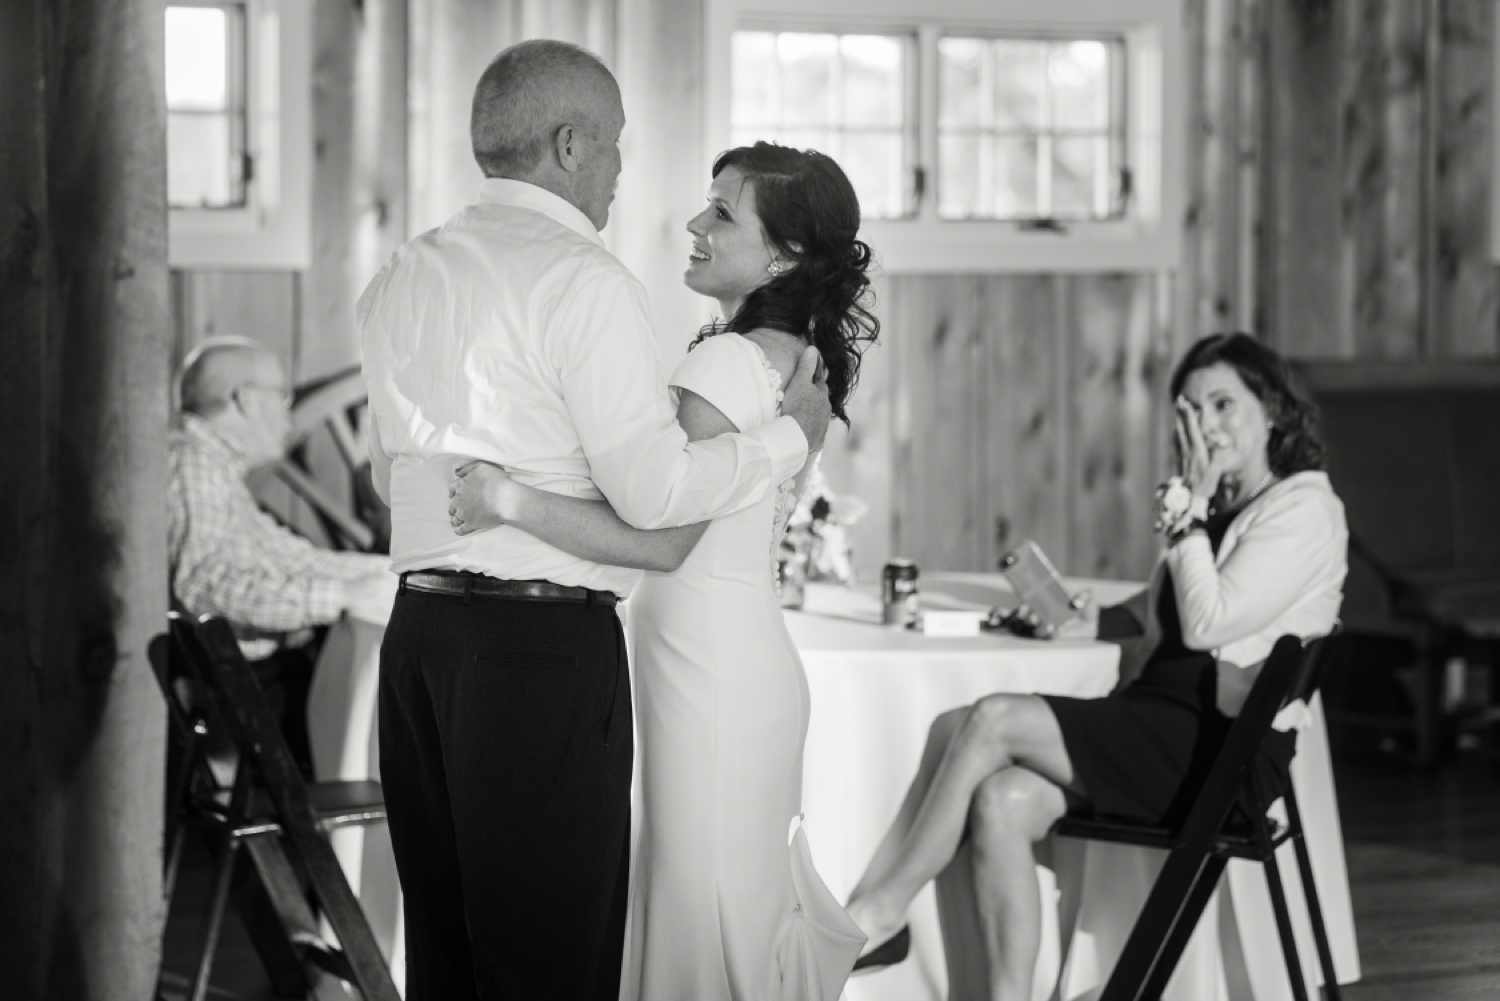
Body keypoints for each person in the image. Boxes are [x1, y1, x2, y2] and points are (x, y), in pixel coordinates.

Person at [357, 44, 833, 1001]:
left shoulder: (401, 274)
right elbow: (656, 502)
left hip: (418, 644)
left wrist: (489, 511)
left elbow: (392, 483)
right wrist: (788, 445)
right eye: (615, 146)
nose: (623, 171)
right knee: (550, 965)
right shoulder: (587, 282)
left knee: (446, 961)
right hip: (537, 655)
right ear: (571, 145)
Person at [449, 140, 877, 1000]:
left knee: (700, 905)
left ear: (786, 254)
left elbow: (663, 531)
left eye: (723, 213)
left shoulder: (726, 361)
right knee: (719, 908)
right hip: (729, 660)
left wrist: (510, 500)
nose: (694, 223)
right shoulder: (784, 355)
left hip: (708, 676)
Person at [840, 333, 1349, 1001]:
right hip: (1163, 721)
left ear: (1274, 409)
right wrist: (1095, 618)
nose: (1207, 425)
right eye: (1191, 411)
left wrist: (1188, 511)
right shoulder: (1226, 507)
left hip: (1221, 748)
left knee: (991, 719)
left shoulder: (1305, 506)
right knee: (1001, 800)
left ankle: (881, 911)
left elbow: (1209, 619)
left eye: (1223, 404)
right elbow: (1168, 606)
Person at [167, 336, 396, 776]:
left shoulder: (213, 469)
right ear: (246, 400)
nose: (287, 412)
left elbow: (288, 557)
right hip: (239, 705)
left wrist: (389, 572)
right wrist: (341, 597)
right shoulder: (193, 467)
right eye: (282, 396)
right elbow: (204, 584)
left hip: (247, 692)